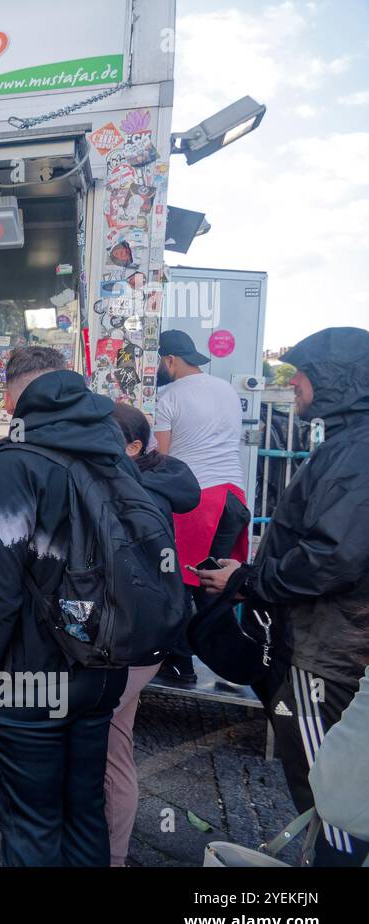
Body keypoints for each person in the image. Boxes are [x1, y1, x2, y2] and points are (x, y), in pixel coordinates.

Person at [197, 327, 369, 866]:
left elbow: (334, 556)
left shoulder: (358, 450)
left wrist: (249, 582)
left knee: (328, 786)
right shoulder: (351, 443)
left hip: (330, 651)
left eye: (302, 373)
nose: (292, 383)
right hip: (330, 640)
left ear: (335, 381)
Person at [0, 346, 129, 867]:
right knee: (83, 815)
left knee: (31, 826)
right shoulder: (114, 453)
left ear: (14, 396)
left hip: (26, 677)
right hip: (102, 666)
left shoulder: (14, 462)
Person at [106, 402, 201, 866]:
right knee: (115, 744)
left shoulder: (132, 492)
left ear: (134, 446)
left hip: (130, 639)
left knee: (104, 748)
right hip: (145, 638)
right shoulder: (151, 480)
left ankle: (108, 855)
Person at [154, 329, 249, 684]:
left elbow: (161, 458)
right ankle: (234, 661)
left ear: (170, 360)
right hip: (232, 497)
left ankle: (180, 664)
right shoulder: (225, 388)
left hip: (196, 501)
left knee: (177, 581)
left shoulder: (169, 396)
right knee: (215, 585)